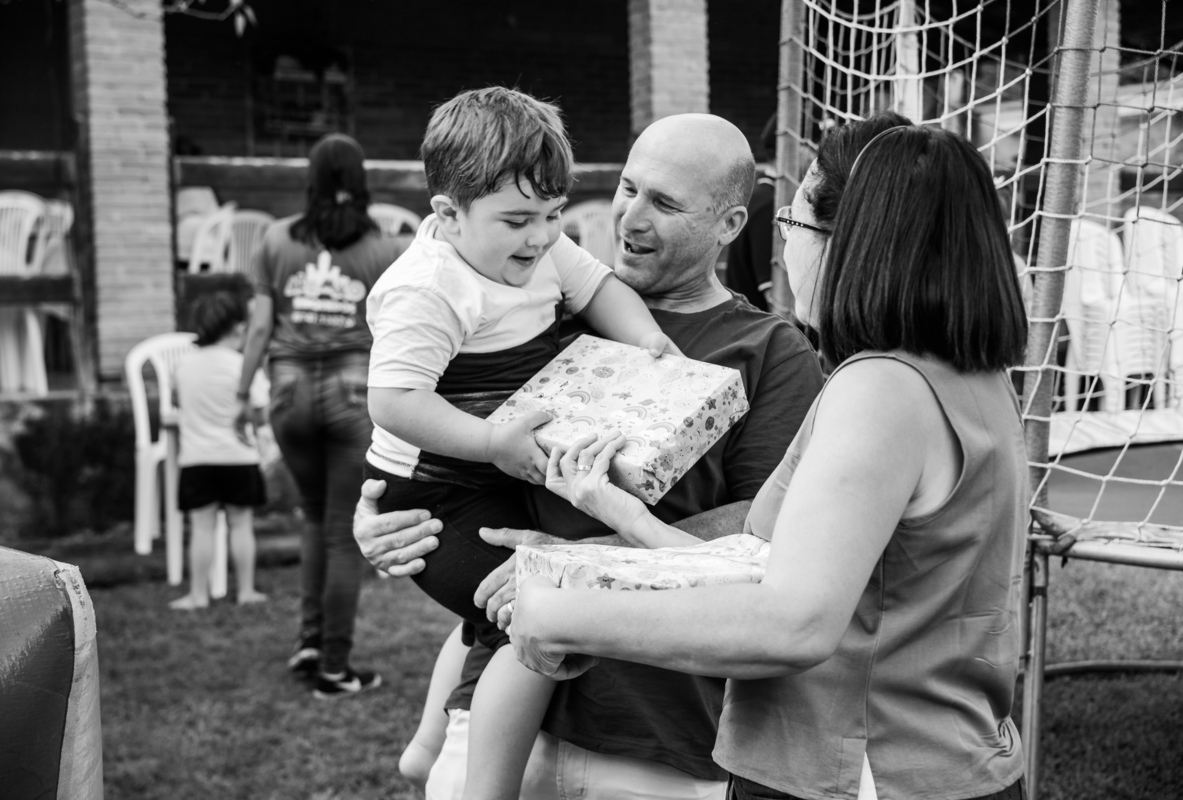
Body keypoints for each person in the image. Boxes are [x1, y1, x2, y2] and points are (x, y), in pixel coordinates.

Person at [510, 117, 1031, 800]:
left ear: (851, 241)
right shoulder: (975, 379)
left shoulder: (881, 389)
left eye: (795, 222)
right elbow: (768, 571)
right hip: (937, 761)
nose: (785, 245)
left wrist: (560, 613)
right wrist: (620, 518)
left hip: (858, 770)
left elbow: (793, 623)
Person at [356, 112, 826, 799]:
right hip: (494, 709)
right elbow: (420, 412)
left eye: (663, 203)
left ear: (728, 225)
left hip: (657, 740)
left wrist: (571, 564)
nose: (630, 217)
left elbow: (764, 536)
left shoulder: (770, 352)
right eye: (627, 188)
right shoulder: (536, 301)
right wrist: (376, 519)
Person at [364, 86, 680, 800]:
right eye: (516, 220)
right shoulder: (428, 289)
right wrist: (490, 442)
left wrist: (650, 342)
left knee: (497, 603)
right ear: (447, 214)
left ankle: (424, 746)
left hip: (498, 464)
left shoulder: (541, 248)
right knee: (527, 620)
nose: (540, 237)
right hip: (437, 489)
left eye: (551, 215)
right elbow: (394, 399)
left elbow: (598, 288)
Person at [236, 133, 406, 699]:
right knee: (340, 532)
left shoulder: (275, 239)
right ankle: (333, 667)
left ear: (310, 179)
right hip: (352, 391)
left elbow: (260, 328)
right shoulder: (384, 250)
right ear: (360, 182)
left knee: (312, 517)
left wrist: (242, 395)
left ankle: (310, 641)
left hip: (287, 392)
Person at [169, 288, 270, 610]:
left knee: (201, 527)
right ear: (239, 328)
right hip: (239, 458)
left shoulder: (185, 366)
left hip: (197, 459)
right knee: (241, 524)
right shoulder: (243, 365)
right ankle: (246, 591)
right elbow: (261, 411)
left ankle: (198, 594)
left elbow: (176, 402)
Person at [723, 113, 779, 313]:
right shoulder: (768, 204)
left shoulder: (763, 194)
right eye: (813, 146)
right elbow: (776, 299)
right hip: (761, 334)